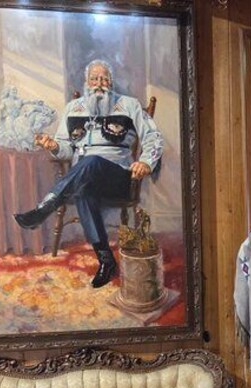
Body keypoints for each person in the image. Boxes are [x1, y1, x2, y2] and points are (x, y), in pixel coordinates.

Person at [13, 59, 164, 288]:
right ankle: (106, 260)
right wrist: (53, 145)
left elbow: (153, 137)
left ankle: (45, 207)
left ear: (111, 82)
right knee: (83, 189)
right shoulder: (73, 108)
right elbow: (66, 149)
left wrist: (145, 161)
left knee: (91, 161)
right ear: (87, 82)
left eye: (104, 79)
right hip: (84, 177)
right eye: (94, 79)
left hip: (119, 177)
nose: (99, 83)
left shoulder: (129, 105)